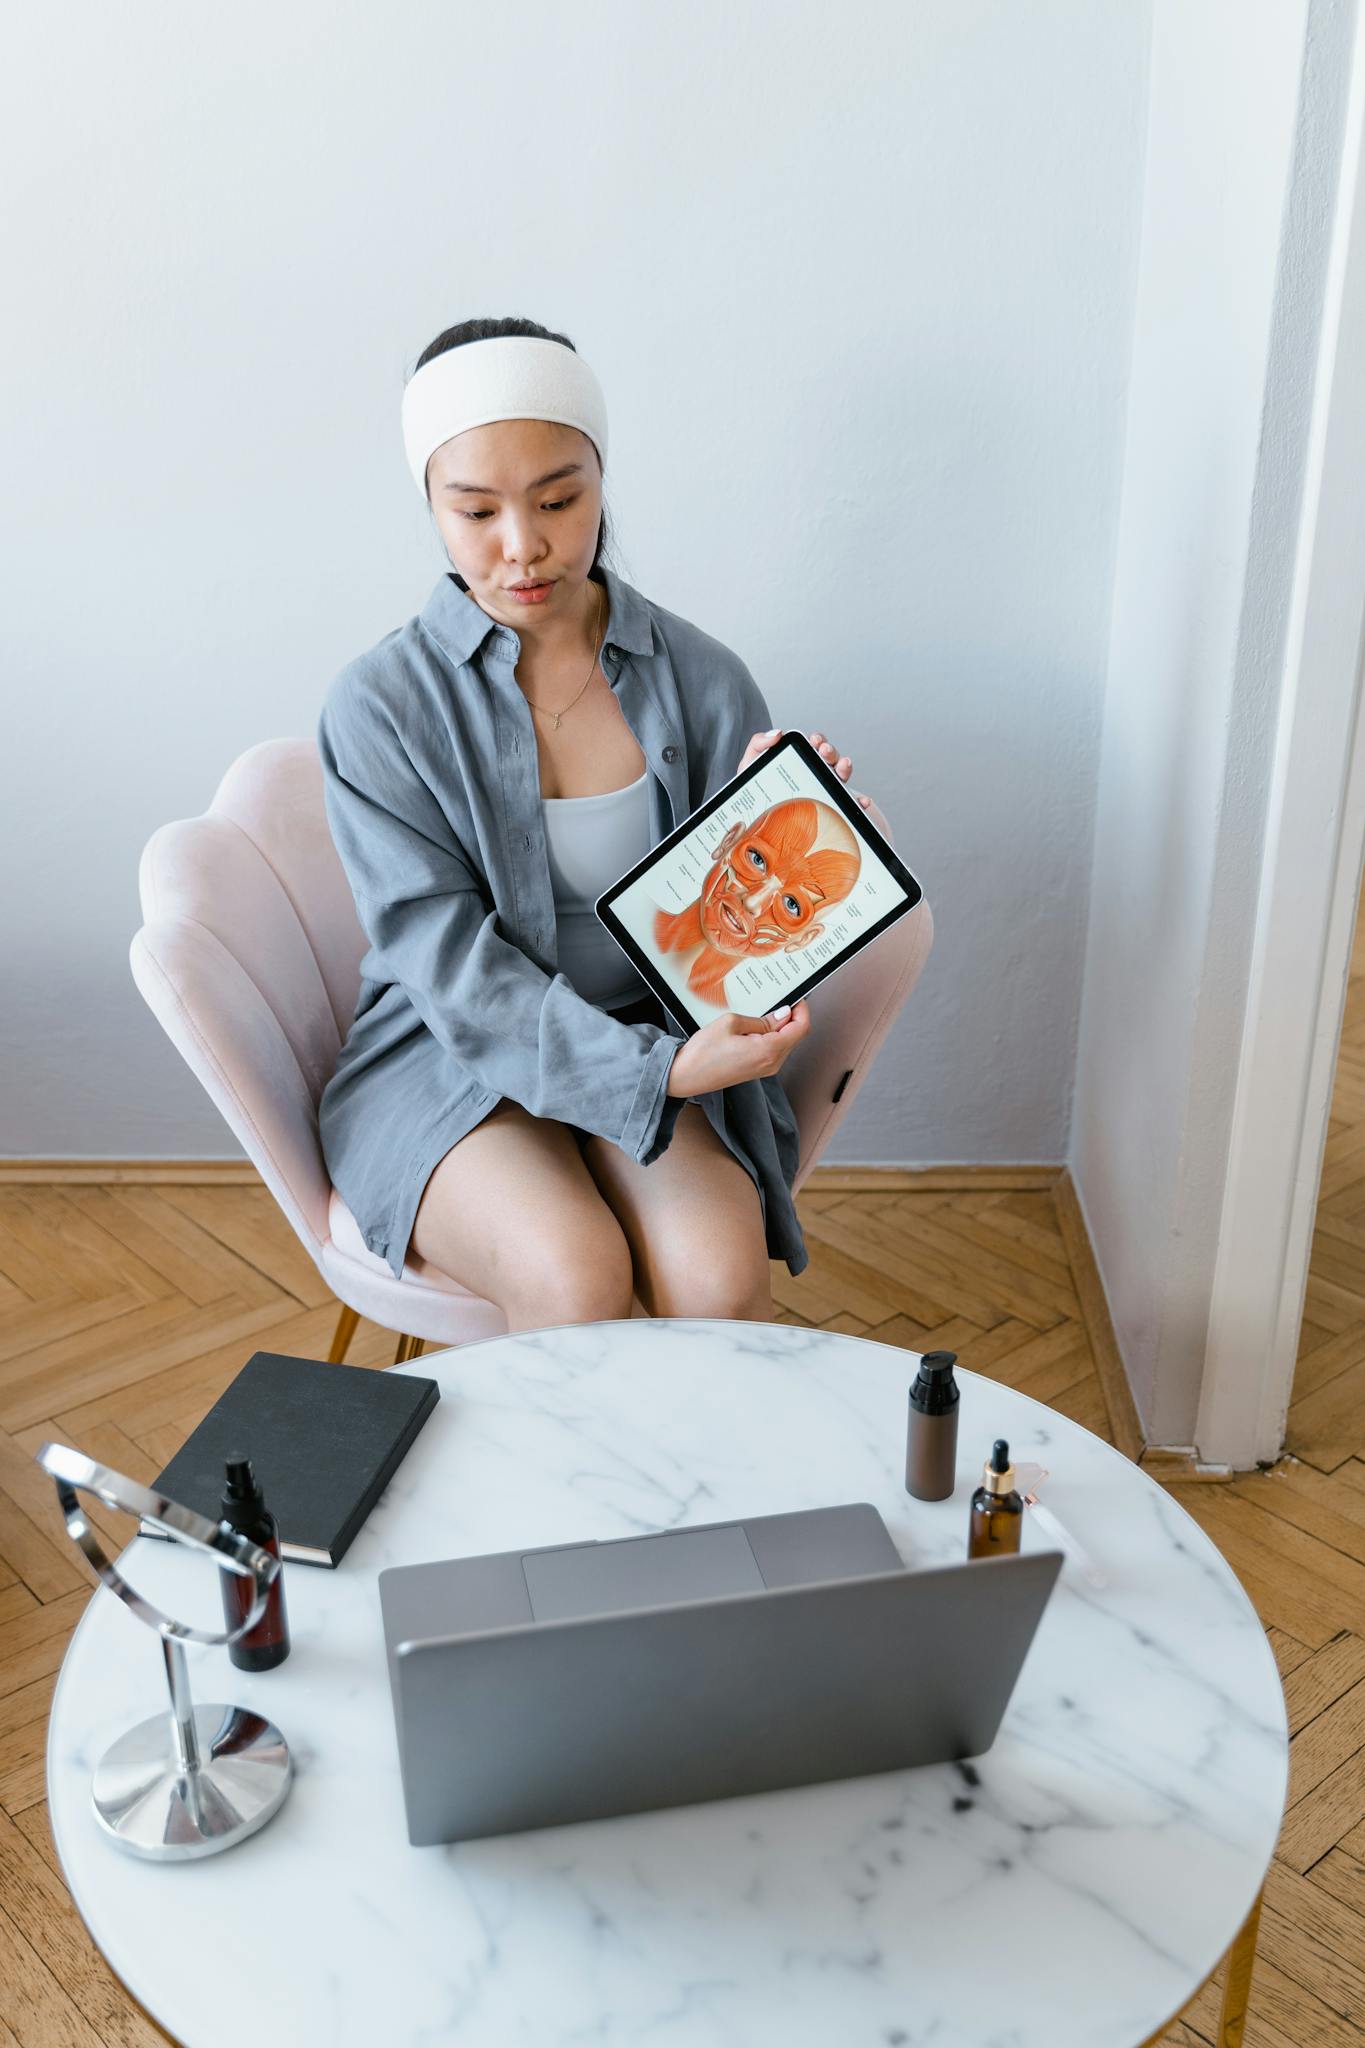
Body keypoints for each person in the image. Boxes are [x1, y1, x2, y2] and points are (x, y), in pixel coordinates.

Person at [316, 315, 872, 1334]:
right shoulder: (380, 704)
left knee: (718, 1280)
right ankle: (558, 1499)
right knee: (575, 1276)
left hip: (659, 1042)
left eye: (559, 499)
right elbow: (452, 973)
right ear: (431, 507)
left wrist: (814, 843)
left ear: (601, 482)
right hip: (448, 1061)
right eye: (475, 509)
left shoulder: (704, 679)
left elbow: (728, 955)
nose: (523, 545)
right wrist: (661, 1075)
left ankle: (703, 1499)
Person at [654, 798, 863, 1005]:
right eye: (757, 859)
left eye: (792, 905)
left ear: (804, 939)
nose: (752, 902)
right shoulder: (627, 918)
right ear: (729, 842)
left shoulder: (730, 1028)